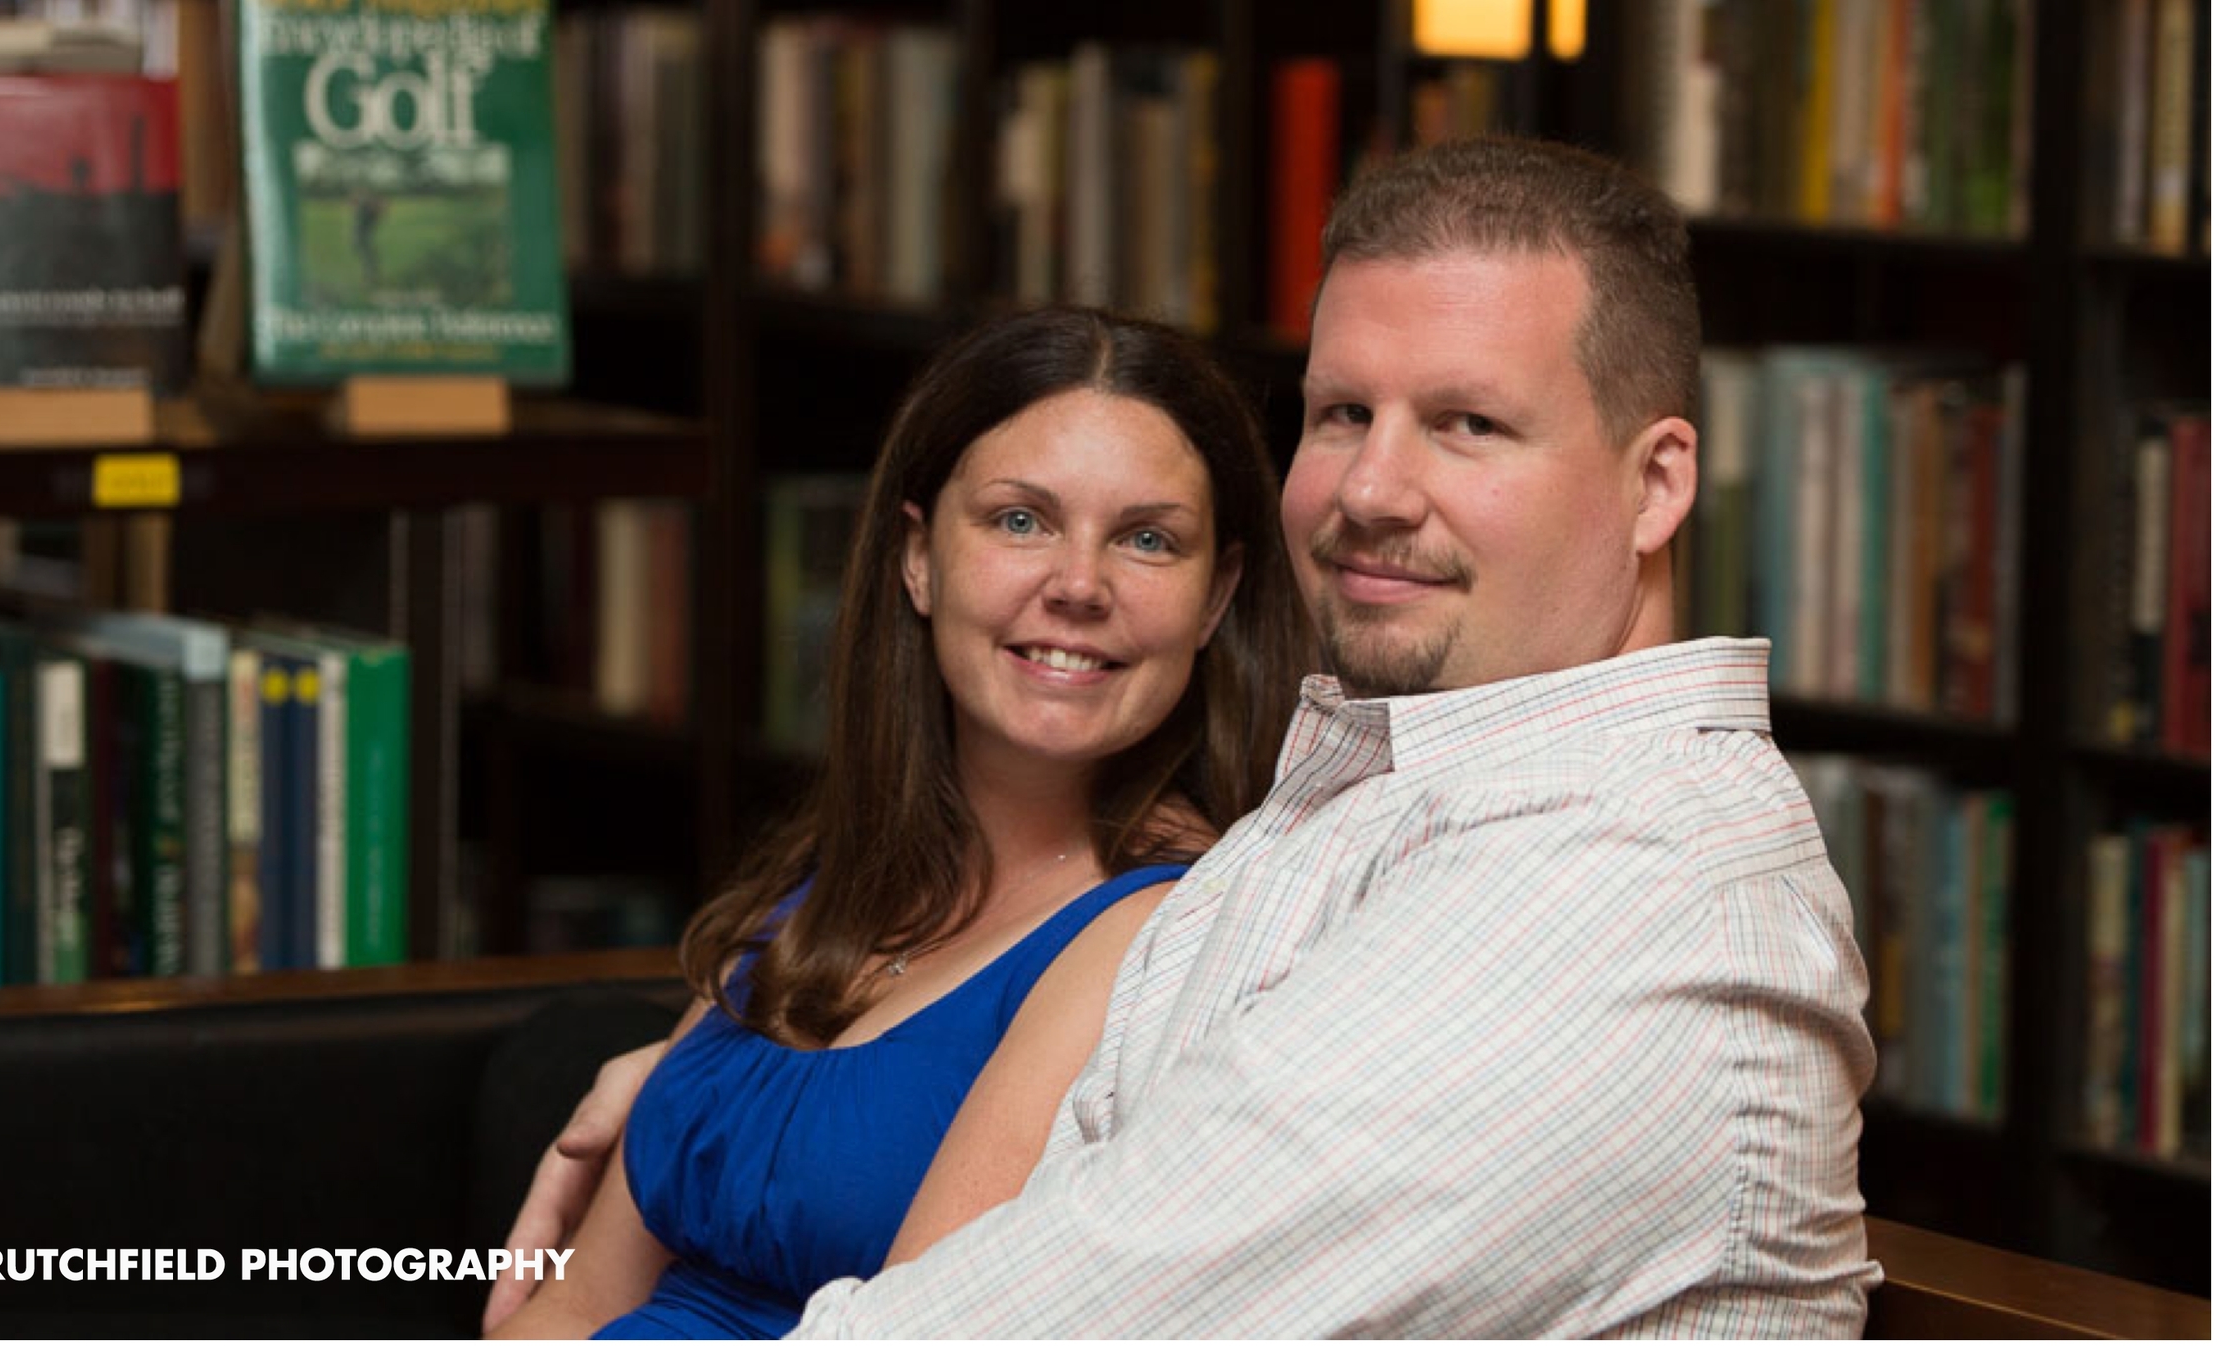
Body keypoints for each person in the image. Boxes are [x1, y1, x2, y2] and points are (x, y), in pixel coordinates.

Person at [497, 135, 1880, 1337]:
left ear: (1658, 484)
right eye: (1343, 413)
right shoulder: (1373, 806)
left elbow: (1039, 1323)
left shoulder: (1627, 894)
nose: (1373, 488)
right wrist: (716, 1075)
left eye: (1468, 423)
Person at [485, 306, 1314, 1338]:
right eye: (1020, 520)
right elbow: (572, 1302)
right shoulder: (832, 879)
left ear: (1215, 596)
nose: (1077, 585)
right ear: (918, 559)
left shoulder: (1161, 932)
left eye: (1147, 540)